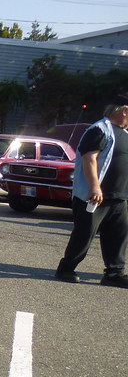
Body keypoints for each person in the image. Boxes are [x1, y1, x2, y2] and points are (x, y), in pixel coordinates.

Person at [54, 98, 128, 287]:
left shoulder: (125, 134)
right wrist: (95, 186)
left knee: (118, 236)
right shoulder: (99, 130)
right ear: (124, 111)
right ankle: (66, 268)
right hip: (94, 196)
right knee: (84, 234)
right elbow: (89, 158)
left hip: (119, 196)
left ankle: (114, 274)